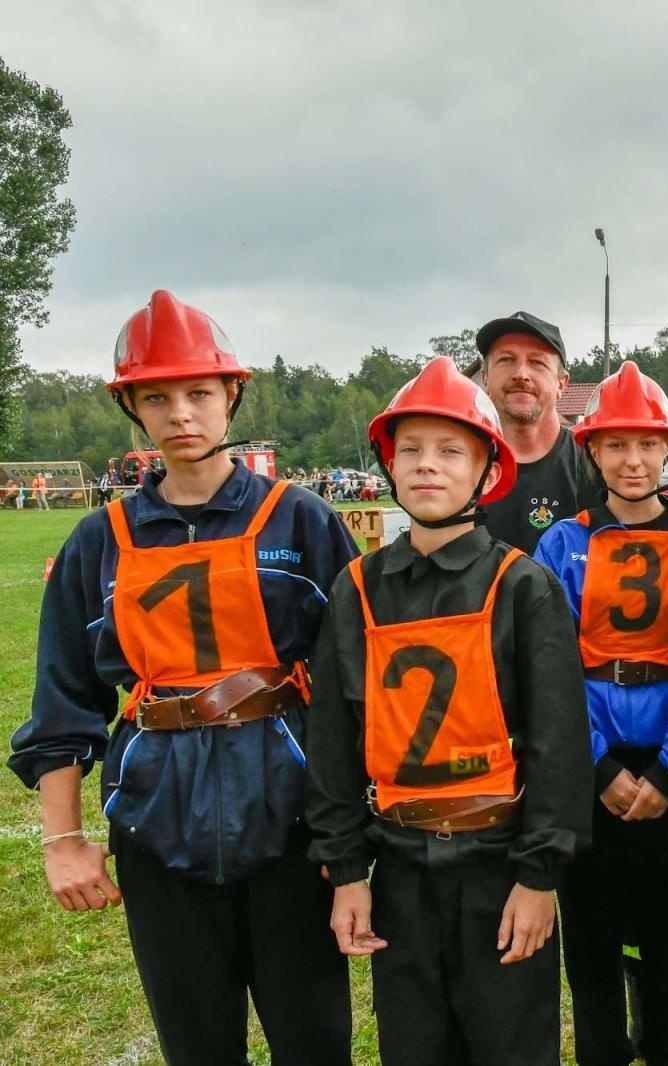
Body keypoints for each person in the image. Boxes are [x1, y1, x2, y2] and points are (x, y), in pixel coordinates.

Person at [7, 290, 355, 1065]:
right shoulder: (98, 540)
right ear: (132, 406)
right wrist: (63, 841)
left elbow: (355, 686)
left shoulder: (302, 519)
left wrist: (350, 835)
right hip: (156, 822)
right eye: (157, 397)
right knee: (197, 1048)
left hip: (291, 821)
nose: (181, 414)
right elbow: (64, 703)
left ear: (232, 394)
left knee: (315, 1043)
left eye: (199, 392)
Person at [303, 356, 593, 1066]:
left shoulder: (523, 586)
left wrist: (539, 877)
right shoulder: (356, 588)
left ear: (487, 471)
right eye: (410, 450)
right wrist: (346, 870)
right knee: (414, 1048)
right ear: (388, 464)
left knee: (512, 1049)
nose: (427, 465)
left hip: (498, 868)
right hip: (400, 870)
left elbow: (559, 743)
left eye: (450, 451)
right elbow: (334, 740)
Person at [534, 361, 668, 1066]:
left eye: (647, 444)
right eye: (616, 445)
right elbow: (552, 667)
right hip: (591, 767)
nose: (633, 460)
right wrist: (599, 766)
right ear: (593, 451)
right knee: (590, 933)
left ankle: (667, 1050)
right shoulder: (562, 543)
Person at [474, 310, 606, 553]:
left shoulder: (594, 467)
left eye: (537, 362)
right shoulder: (462, 467)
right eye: (506, 360)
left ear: (561, 383)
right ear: (485, 378)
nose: (521, 374)